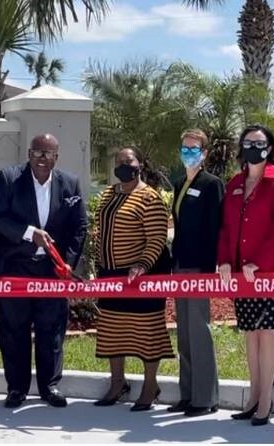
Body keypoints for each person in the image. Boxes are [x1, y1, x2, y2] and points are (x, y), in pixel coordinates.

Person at [0, 133, 88, 409]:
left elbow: (80, 228)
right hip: (15, 267)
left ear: (57, 156)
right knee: (13, 331)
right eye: (36, 152)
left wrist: (66, 262)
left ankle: (49, 386)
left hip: (52, 272)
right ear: (29, 154)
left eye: (48, 153)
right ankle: (16, 389)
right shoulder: (9, 178)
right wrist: (30, 234)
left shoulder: (70, 183)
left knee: (52, 331)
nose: (41, 159)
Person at [218, 124, 274, 426]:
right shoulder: (235, 182)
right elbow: (225, 227)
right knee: (250, 333)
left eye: (259, 142)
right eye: (248, 142)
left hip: (268, 272)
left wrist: (259, 263)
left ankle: (266, 400)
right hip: (240, 274)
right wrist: (225, 261)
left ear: (269, 147)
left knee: (267, 333)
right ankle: (252, 396)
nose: (253, 147)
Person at [92, 146, 174, 412]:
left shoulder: (150, 197)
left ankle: (151, 385)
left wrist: (141, 264)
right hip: (110, 275)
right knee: (113, 332)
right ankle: (118, 383)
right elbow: (99, 229)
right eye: (118, 162)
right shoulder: (107, 194)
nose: (122, 166)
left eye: (128, 162)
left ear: (140, 164)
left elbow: (157, 238)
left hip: (142, 276)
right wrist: (97, 263)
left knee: (146, 333)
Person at [167, 129, 224, 417]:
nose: (188, 152)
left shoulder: (211, 184)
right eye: (184, 147)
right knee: (185, 335)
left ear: (204, 153)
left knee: (200, 332)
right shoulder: (179, 184)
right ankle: (188, 394)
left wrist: (209, 267)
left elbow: (215, 229)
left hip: (199, 267)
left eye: (194, 148)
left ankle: (206, 398)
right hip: (180, 264)